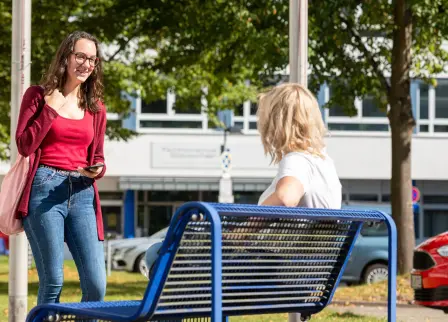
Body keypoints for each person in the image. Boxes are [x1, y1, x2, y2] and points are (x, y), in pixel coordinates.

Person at [15, 31, 108, 305]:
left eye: (92, 59)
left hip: (82, 192)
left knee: (96, 284)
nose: (86, 64)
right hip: (45, 190)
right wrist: (50, 109)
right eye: (80, 56)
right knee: (53, 280)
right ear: (65, 57)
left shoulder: (96, 108)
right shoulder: (38, 96)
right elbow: (24, 145)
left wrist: (97, 169)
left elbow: (99, 156)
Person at [256, 83, 342, 209]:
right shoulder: (324, 162)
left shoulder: (297, 160)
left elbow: (286, 198)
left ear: (276, 123)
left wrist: (251, 220)